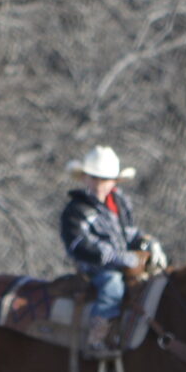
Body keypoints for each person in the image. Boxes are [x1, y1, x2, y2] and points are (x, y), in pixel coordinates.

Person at [60, 146, 161, 352]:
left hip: (123, 263)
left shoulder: (120, 203)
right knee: (112, 285)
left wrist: (148, 243)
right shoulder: (76, 209)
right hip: (94, 268)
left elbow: (129, 233)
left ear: (114, 181)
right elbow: (78, 245)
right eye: (94, 178)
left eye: (104, 179)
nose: (99, 184)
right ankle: (97, 339)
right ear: (85, 178)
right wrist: (117, 257)